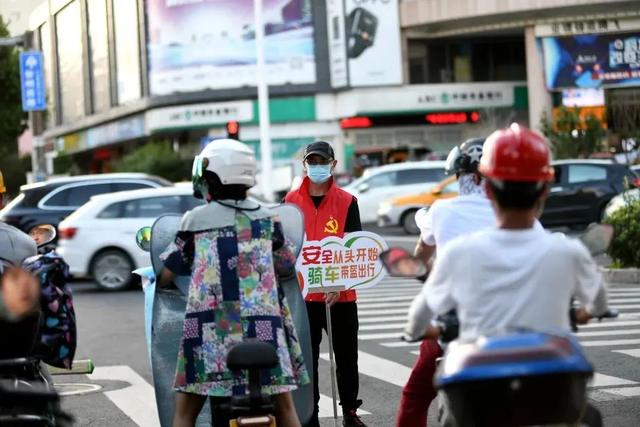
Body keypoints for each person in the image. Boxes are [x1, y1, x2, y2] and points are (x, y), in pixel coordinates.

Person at [404, 122, 608, 355]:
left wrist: (425, 330)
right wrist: (582, 314)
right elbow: (598, 300)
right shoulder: (566, 249)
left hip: (476, 364)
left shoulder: (457, 252)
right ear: (544, 190)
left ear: (488, 189)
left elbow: (419, 316)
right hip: (548, 371)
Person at [158, 139, 309, 427]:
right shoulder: (267, 218)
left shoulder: (195, 220)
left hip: (208, 333)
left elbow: (168, 272)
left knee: (184, 414)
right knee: (286, 410)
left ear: (213, 178)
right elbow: (286, 264)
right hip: (264, 332)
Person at [396, 138, 496, 427]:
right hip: (509, 328)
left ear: (470, 176)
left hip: (452, 327)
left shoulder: (439, 212)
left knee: (415, 395)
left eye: (460, 176)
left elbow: (420, 257)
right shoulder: (517, 216)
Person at [284, 141, 367, 427]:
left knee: (346, 357)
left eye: (322, 161)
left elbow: (355, 249)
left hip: (340, 296)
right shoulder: (290, 203)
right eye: (311, 161)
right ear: (304, 165)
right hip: (304, 296)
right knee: (306, 359)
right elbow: (285, 249)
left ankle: (350, 412)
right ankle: (310, 414)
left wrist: (339, 283)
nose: (316, 166)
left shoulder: (347, 201)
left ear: (332, 164)